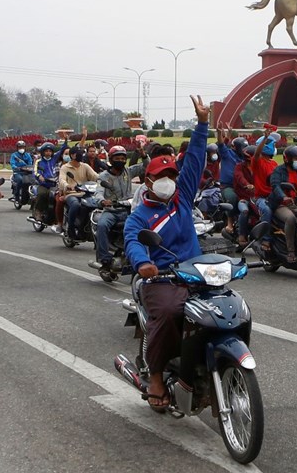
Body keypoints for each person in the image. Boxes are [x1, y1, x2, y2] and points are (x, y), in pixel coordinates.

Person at [124, 95, 210, 413]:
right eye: (162, 177)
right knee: (172, 313)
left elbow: (196, 160)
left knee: (230, 309)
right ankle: (157, 376)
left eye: (172, 176)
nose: (169, 181)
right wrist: (143, 262)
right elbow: (133, 241)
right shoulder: (140, 216)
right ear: (148, 180)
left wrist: (202, 125)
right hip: (161, 279)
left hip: (196, 272)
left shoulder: (182, 199)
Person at [90, 144, 148, 271]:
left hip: (129, 209)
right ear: (110, 159)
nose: (121, 161)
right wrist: (103, 201)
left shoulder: (128, 171)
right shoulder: (104, 176)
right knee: (102, 225)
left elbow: (146, 167)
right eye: (117, 158)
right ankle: (104, 259)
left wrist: (143, 154)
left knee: (147, 223)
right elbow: (98, 191)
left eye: (123, 158)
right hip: (112, 210)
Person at [56, 145, 99, 238]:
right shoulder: (65, 167)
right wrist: (68, 186)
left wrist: (104, 179)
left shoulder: (85, 166)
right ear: (72, 155)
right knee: (75, 205)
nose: (80, 155)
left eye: (81, 153)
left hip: (85, 193)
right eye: (77, 154)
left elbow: (95, 176)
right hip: (71, 194)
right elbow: (62, 180)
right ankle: (70, 228)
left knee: (95, 205)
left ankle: (84, 228)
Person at [251, 130, 281, 251]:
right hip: (262, 198)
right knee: (267, 211)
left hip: (275, 196)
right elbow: (257, 154)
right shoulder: (257, 161)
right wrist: (265, 138)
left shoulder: (274, 163)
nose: (275, 148)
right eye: (273, 145)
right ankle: (266, 240)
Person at [216, 129, 247, 236]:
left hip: (242, 187)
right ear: (235, 147)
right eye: (242, 148)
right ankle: (229, 223)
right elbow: (221, 144)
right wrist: (220, 133)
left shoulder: (245, 158)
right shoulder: (227, 154)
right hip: (227, 187)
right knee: (232, 198)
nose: (244, 150)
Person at [33, 141, 65, 223]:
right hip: (43, 184)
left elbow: (62, 149)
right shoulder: (39, 161)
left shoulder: (54, 159)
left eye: (50, 151)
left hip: (54, 184)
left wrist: (65, 139)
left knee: (58, 197)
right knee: (42, 194)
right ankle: (38, 212)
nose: (48, 153)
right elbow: (35, 172)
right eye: (46, 151)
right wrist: (40, 176)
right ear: (43, 152)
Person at [232, 145, 257, 248]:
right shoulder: (239, 166)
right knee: (244, 211)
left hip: (257, 197)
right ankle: (242, 235)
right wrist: (247, 185)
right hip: (243, 198)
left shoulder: (258, 167)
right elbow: (239, 177)